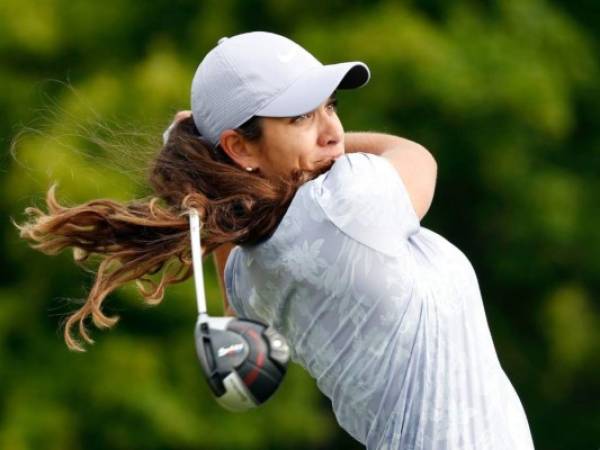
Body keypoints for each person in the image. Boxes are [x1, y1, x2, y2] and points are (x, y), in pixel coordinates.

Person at [17, 31, 535, 449]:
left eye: (330, 105)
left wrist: (218, 161)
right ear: (241, 145)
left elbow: (232, 245)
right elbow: (415, 154)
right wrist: (220, 155)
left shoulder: (249, 270)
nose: (331, 130)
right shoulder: (347, 203)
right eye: (301, 116)